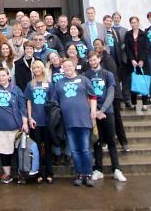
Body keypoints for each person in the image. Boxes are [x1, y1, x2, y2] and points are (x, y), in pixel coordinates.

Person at [50, 58, 97, 187]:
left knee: (86, 149)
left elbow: (93, 96)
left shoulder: (83, 80)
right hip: (69, 121)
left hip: (84, 120)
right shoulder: (59, 83)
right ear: (62, 69)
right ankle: (79, 174)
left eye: (69, 66)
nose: (67, 68)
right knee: (75, 150)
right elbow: (54, 101)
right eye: (65, 67)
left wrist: (93, 112)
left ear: (74, 66)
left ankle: (88, 175)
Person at [85, 50, 127, 183]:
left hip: (107, 111)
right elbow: (86, 94)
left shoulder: (107, 74)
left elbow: (111, 93)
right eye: (90, 60)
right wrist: (95, 110)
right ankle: (98, 169)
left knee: (111, 141)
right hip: (93, 112)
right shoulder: (86, 75)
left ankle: (117, 169)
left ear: (99, 59)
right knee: (97, 141)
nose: (93, 62)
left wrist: (102, 109)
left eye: (95, 59)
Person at [92, 38, 129, 152]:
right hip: (100, 95)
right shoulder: (93, 61)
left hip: (113, 93)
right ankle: (104, 141)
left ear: (103, 46)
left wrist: (114, 93)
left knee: (116, 118)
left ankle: (123, 142)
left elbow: (113, 77)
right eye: (95, 45)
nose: (97, 46)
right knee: (101, 119)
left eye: (99, 44)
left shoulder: (108, 58)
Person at [24, 60, 53, 183]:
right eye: (34, 68)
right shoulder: (30, 84)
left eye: (38, 67)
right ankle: (39, 172)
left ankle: (49, 172)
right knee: (36, 148)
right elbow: (29, 102)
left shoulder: (50, 84)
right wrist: (30, 118)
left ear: (42, 68)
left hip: (47, 121)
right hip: (36, 120)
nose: (36, 70)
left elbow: (53, 102)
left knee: (48, 147)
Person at [125, 16, 151, 111]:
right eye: (132, 22)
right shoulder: (128, 34)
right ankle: (134, 103)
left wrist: (142, 60)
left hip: (143, 63)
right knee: (133, 82)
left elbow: (146, 48)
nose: (134, 24)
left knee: (143, 82)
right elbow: (127, 49)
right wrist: (132, 60)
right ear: (130, 24)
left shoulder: (143, 34)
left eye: (135, 22)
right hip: (132, 63)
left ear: (138, 23)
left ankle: (145, 103)